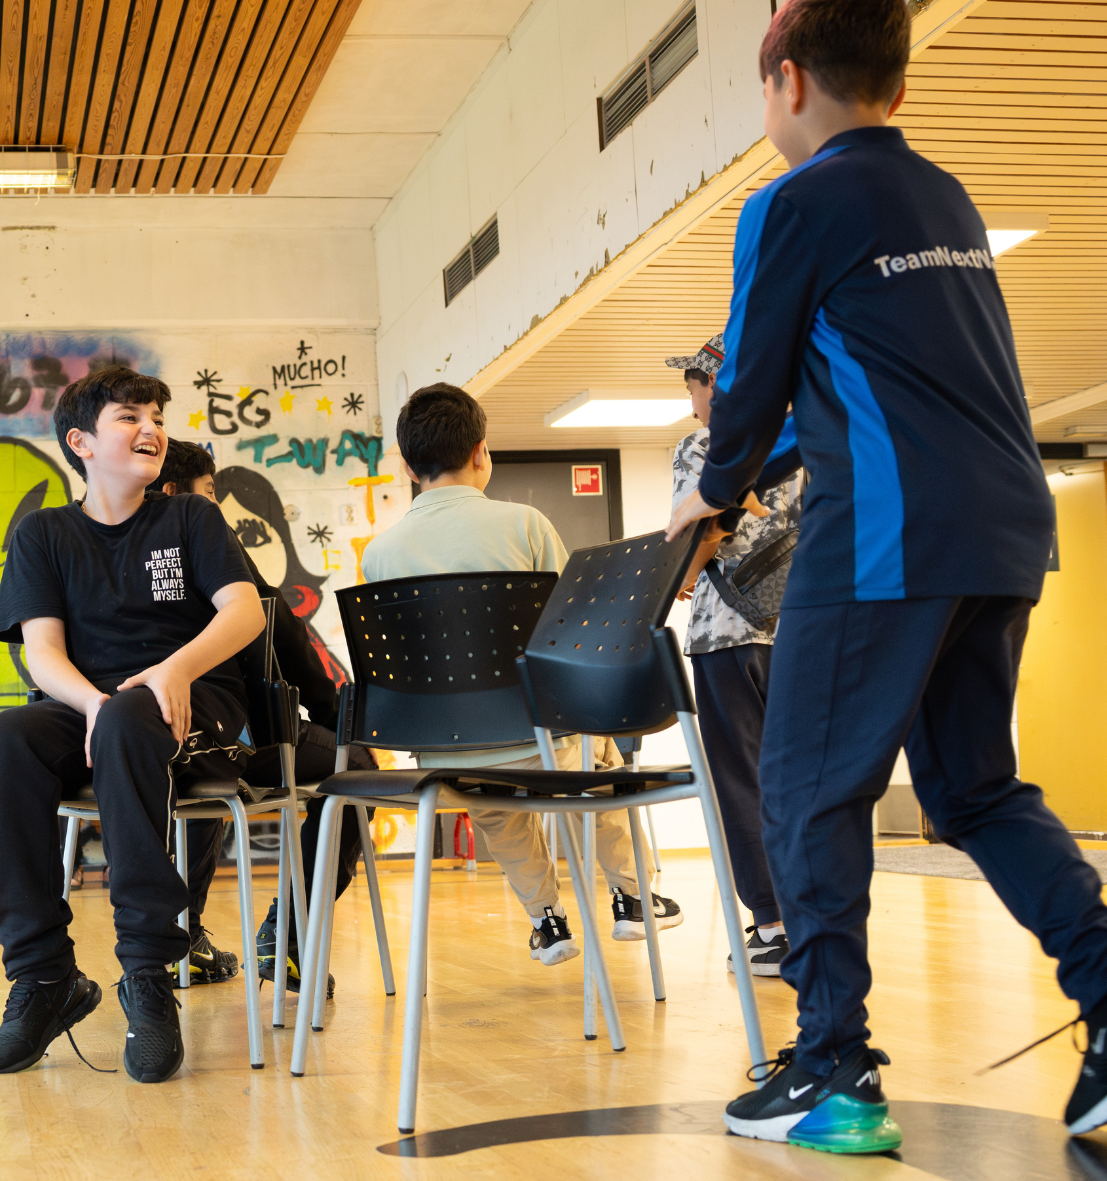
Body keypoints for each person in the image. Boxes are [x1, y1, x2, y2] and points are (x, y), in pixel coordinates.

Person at [667, 0, 1107, 1153]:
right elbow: (880, 382)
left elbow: (751, 383)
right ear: (899, 86)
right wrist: (749, 471)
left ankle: (830, 1066)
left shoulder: (788, 203)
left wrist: (703, 495)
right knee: (970, 788)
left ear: (783, 82)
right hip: (1002, 525)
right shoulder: (944, 196)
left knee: (802, 790)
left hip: (886, 529)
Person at [0, 366, 264, 1084]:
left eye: (157, 415)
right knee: (2, 743)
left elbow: (245, 611)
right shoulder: (44, 533)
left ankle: (148, 973)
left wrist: (174, 669)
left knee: (132, 715)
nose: (151, 428)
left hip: (192, 705)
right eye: (130, 416)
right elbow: (42, 653)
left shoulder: (190, 519)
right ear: (82, 442)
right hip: (94, 710)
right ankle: (44, 977)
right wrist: (92, 704)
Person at [363, 383, 683, 965]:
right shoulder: (525, 525)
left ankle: (547, 920)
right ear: (481, 452)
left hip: (449, 751)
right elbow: (569, 635)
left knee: (490, 804)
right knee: (598, 768)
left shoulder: (379, 554)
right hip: (545, 740)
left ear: (408, 467)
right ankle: (632, 897)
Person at [150, 438, 376, 995]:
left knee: (201, 776)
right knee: (356, 768)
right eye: (209, 492)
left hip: (133, 747)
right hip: (227, 735)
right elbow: (281, 626)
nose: (214, 505)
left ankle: (182, 941)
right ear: (178, 493)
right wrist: (334, 716)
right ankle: (288, 938)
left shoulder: (103, 543)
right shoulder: (207, 538)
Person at [666, 334, 794, 976]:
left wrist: (681, 577)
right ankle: (814, 915)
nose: (691, 402)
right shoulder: (800, 441)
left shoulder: (703, 446)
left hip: (726, 637)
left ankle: (772, 927)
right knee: (798, 775)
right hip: (802, 630)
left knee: (742, 778)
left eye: (692, 386)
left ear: (713, 386)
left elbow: (699, 531)